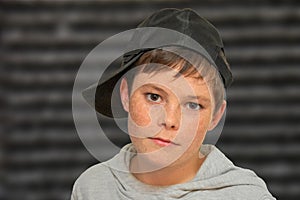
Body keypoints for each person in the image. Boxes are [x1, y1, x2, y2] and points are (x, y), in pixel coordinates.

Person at [71, 8, 276, 200]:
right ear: (125, 95)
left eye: (193, 105)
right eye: (154, 97)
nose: (170, 120)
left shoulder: (246, 195)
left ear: (215, 116)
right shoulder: (91, 187)